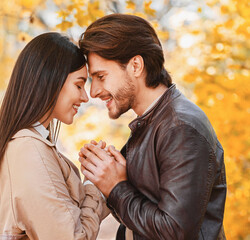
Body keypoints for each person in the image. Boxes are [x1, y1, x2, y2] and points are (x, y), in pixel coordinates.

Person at [77, 14, 227, 240]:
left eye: (101, 76)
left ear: (135, 65)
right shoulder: (151, 123)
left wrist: (116, 187)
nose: (94, 92)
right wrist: (111, 179)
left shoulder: (181, 128)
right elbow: (142, 217)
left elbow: (174, 231)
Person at [0, 32, 109, 240]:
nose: (85, 96)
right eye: (79, 85)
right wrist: (93, 185)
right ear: (51, 80)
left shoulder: (31, 146)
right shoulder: (28, 150)